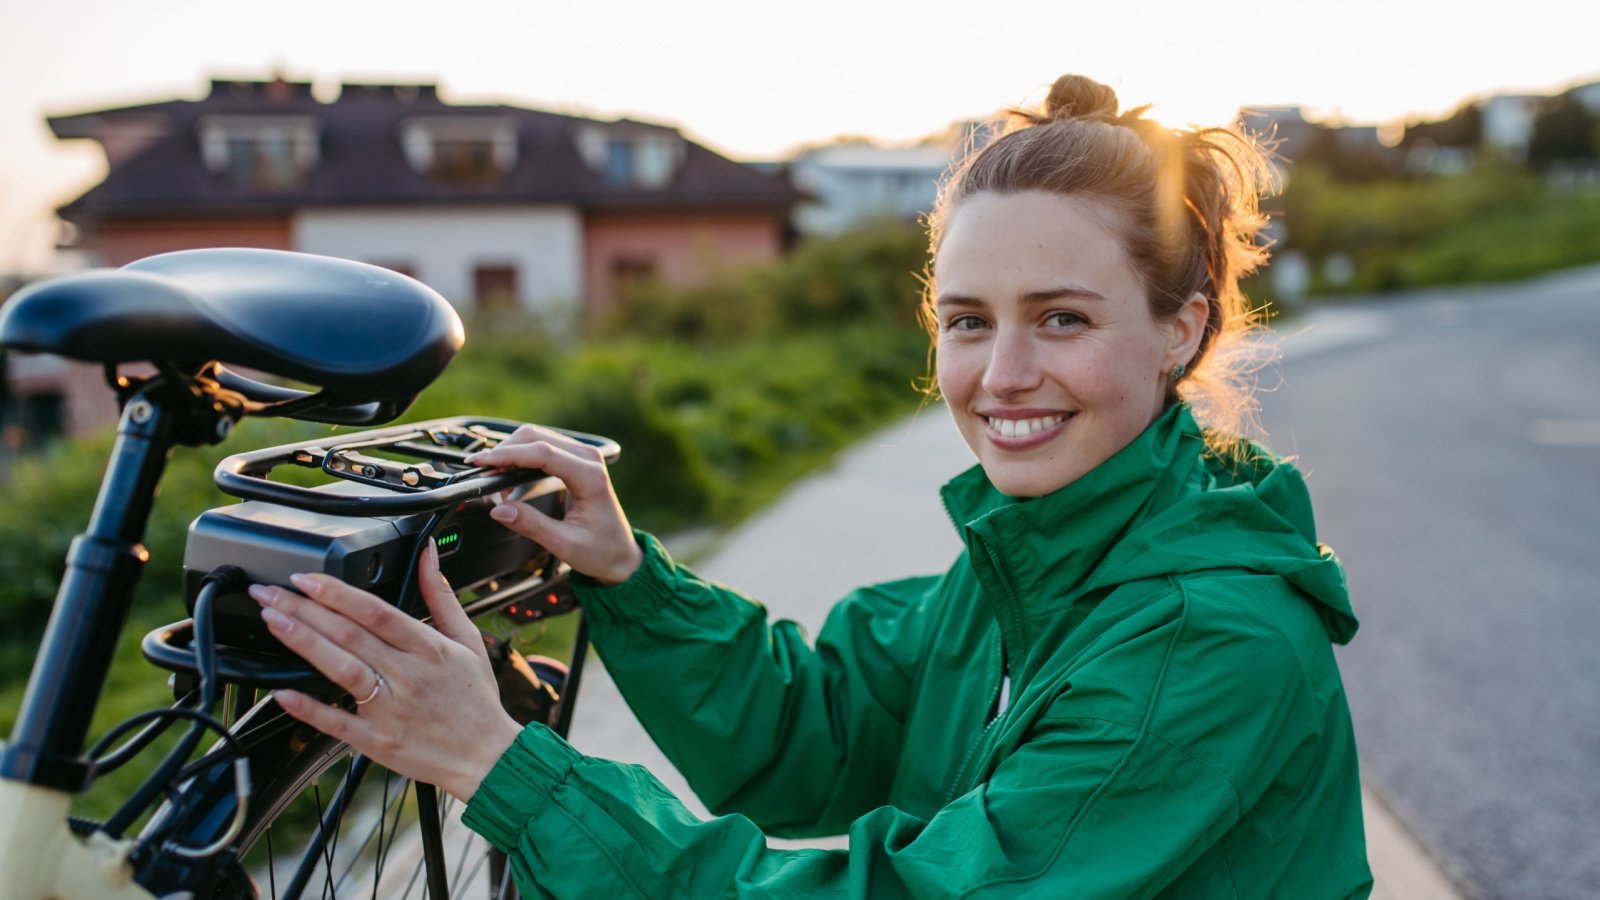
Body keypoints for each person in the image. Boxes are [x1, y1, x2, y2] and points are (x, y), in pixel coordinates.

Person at [249, 74, 1373, 897]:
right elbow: (824, 733)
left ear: (1180, 329)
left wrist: (500, 764)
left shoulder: (1198, 635)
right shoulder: (1046, 551)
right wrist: (635, 581)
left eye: (1062, 318)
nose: (1002, 375)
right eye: (968, 323)